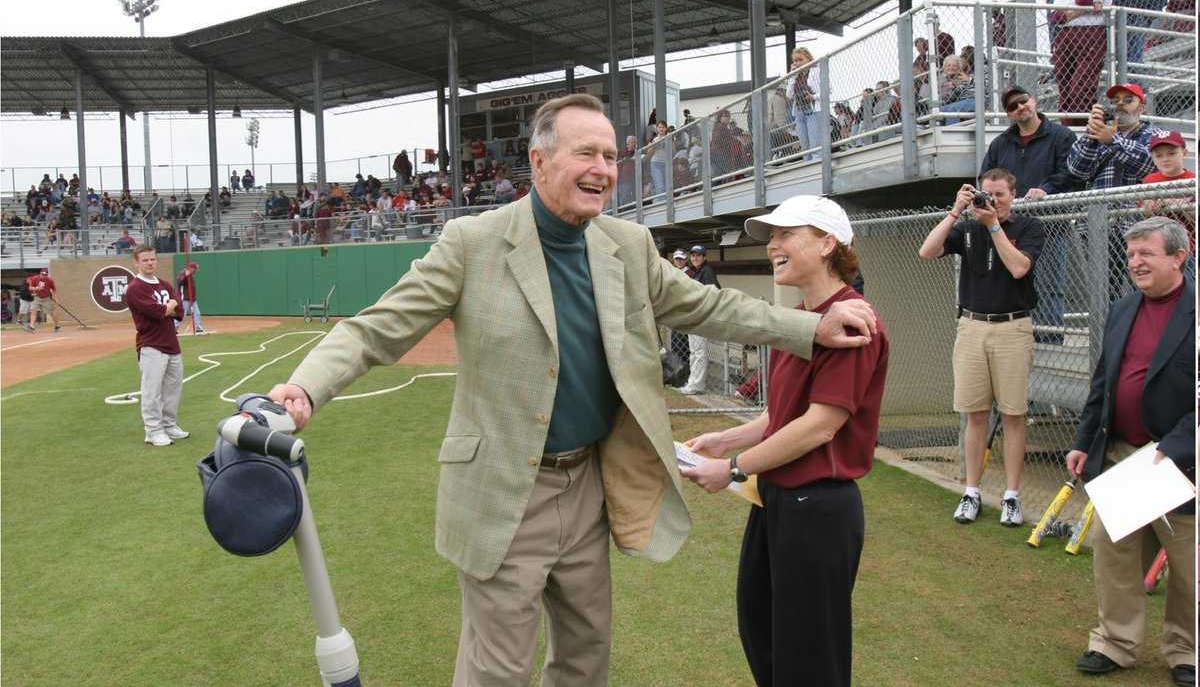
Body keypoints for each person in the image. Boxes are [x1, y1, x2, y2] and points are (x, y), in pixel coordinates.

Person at [265, 93, 878, 687]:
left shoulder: (628, 246)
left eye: (611, 157)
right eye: (587, 154)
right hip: (502, 488)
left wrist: (810, 325)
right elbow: (377, 328)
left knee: (586, 659)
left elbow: (711, 309)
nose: (603, 170)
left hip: (587, 486)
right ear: (538, 161)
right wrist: (307, 387)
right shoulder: (472, 243)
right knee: (498, 669)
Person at [681, 196, 889, 687]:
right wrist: (724, 438)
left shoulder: (853, 320)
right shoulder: (802, 319)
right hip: (776, 500)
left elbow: (820, 425)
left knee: (809, 653)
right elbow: (781, 416)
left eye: (786, 233)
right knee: (762, 625)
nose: (772, 245)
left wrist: (733, 469)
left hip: (817, 507)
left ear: (827, 243)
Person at [1065, 217, 1194, 687]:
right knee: (1113, 549)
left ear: (1179, 257)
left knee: (1187, 564)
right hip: (1123, 455)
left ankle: (1187, 652)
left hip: (1182, 463)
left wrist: (1178, 447)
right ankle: (1115, 644)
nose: (1135, 262)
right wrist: (1083, 441)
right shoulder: (1123, 308)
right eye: (1131, 253)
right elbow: (1104, 381)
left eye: (1147, 254)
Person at [918, 169, 1045, 526]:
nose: (991, 201)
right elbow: (927, 251)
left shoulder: (1028, 227)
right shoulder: (966, 226)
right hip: (972, 326)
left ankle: (1011, 496)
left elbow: (1020, 268)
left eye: (999, 195)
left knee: (1013, 414)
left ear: (1013, 194)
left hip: (1013, 327)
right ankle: (971, 491)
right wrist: (956, 211)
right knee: (974, 413)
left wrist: (994, 226)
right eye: (985, 194)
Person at [980, 85, 1079, 344]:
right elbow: (986, 177)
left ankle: (1049, 339)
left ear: (1033, 100)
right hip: (1012, 225)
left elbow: (1072, 171)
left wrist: (1047, 188)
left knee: (1049, 284)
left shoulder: (1061, 135)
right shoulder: (1001, 143)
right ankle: (1019, 338)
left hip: (1050, 222)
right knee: (1009, 280)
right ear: (1009, 115)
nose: (1020, 107)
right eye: (1012, 106)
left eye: (1022, 101)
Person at [1067, 82, 1166, 300]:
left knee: (1141, 292)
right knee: (1103, 295)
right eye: (1114, 101)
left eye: (1128, 100)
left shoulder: (1154, 134)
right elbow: (1076, 170)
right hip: (1098, 227)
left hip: (1138, 225)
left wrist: (1112, 141)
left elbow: (1151, 164)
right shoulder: (1095, 136)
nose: (1120, 105)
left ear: (1142, 108)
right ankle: (1109, 333)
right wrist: (1091, 133)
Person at [125, 246, 188, 447]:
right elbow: (156, 311)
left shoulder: (165, 284)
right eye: (145, 260)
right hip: (151, 345)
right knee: (152, 392)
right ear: (136, 262)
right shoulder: (135, 287)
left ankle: (169, 425)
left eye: (152, 259)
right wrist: (167, 308)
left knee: (172, 389)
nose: (150, 263)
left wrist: (167, 308)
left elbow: (179, 309)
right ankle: (152, 431)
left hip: (171, 344)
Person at [1051, 0, 1115, 126]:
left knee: (1081, 87)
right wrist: (1081, 10)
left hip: (1091, 34)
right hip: (1065, 36)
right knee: (1064, 84)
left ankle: (1086, 126)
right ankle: (1067, 127)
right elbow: (1056, 17)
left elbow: (1082, 0)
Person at [1141, 130, 1195, 281]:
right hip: (1157, 249)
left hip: (1188, 250)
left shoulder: (1193, 179)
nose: (1165, 159)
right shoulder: (1150, 180)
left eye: (1171, 153)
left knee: (1187, 291)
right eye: (1159, 155)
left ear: (1184, 153)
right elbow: (1146, 210)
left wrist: (1178, 206)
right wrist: (1158, 204)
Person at [679, 244, 721, 395]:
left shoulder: (707, 271)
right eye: (693, 255)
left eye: (698, 255)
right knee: (694, 352)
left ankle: (696, 385)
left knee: (699, 352)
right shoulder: (696, 272)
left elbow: (714, 293)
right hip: (694, 316)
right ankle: (693, 383)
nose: (695, 258)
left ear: (704, 257)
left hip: (701, 317)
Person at [786, 47, 823, 160]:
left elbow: (826, 89)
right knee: (804, 145)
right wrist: (792, 75)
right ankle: (808, 165)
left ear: (808, 58)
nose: (798, 63)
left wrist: (813, 96)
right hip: (799, 111)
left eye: (800, 60)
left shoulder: (816, 71)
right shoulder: (796, 76)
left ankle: (817, 167)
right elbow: (789, 94)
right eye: (795, 61)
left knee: (815, 142)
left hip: (813, 110)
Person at [937, 54, 976, 124]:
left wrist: (954, 88)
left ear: (959, 68)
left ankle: (951, 133)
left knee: (951, 109)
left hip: (972, 99)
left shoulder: (964, 76)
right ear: (944, 68)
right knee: (940, 110)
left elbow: (961, 93)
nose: (951, 67)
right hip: (958, 102)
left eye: (954, 65)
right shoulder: (941, 79)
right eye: (948, 65)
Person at [24, 268, 61, 333]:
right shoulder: (35, 278)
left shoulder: (50, 280)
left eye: (45, 275)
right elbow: (30, 288)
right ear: (40, 273)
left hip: (46, 298)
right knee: (33, 311)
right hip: (37, 298)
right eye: (42, 274)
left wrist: (56, 298)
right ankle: (31, 326)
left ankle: (57, 325)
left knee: (51, 312)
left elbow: (54, 290)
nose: (43, 276)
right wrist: (36, 288)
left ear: (47, 275)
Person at [175, 261, 204, 334]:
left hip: (192, 299)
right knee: (182, 314)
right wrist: (186, 276)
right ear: (191, 268)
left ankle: (198, 328)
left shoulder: (190, 274)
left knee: (197, 313)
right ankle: (173, 329)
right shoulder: (183, 273)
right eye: (195, 270)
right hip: (184, 298)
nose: (196, 272)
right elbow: (180, 282)